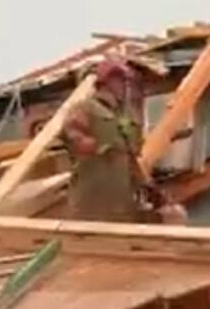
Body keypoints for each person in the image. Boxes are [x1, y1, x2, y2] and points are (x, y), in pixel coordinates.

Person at [61, 58, 147, 223]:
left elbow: (133, 153)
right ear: (106, 82)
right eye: (119, 80)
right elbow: (72, 137)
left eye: (126, 81)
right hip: (92, 199)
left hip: (123, 199)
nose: (124, 86)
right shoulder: (86, 108)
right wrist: (97, 147)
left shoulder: (128, 114)